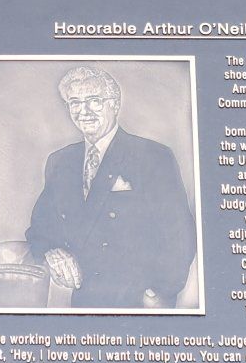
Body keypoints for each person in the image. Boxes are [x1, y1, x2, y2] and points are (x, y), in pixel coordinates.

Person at [25, 65, 195, 309]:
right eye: (75, 102)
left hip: (136, 300)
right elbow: (40, 227)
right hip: (80, 301)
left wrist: (159, 292)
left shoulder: (153, 156)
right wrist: (51, 251)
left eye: (94, 101)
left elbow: (180, 234)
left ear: (114, 104)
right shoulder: (60, 161)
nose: (83, 111)